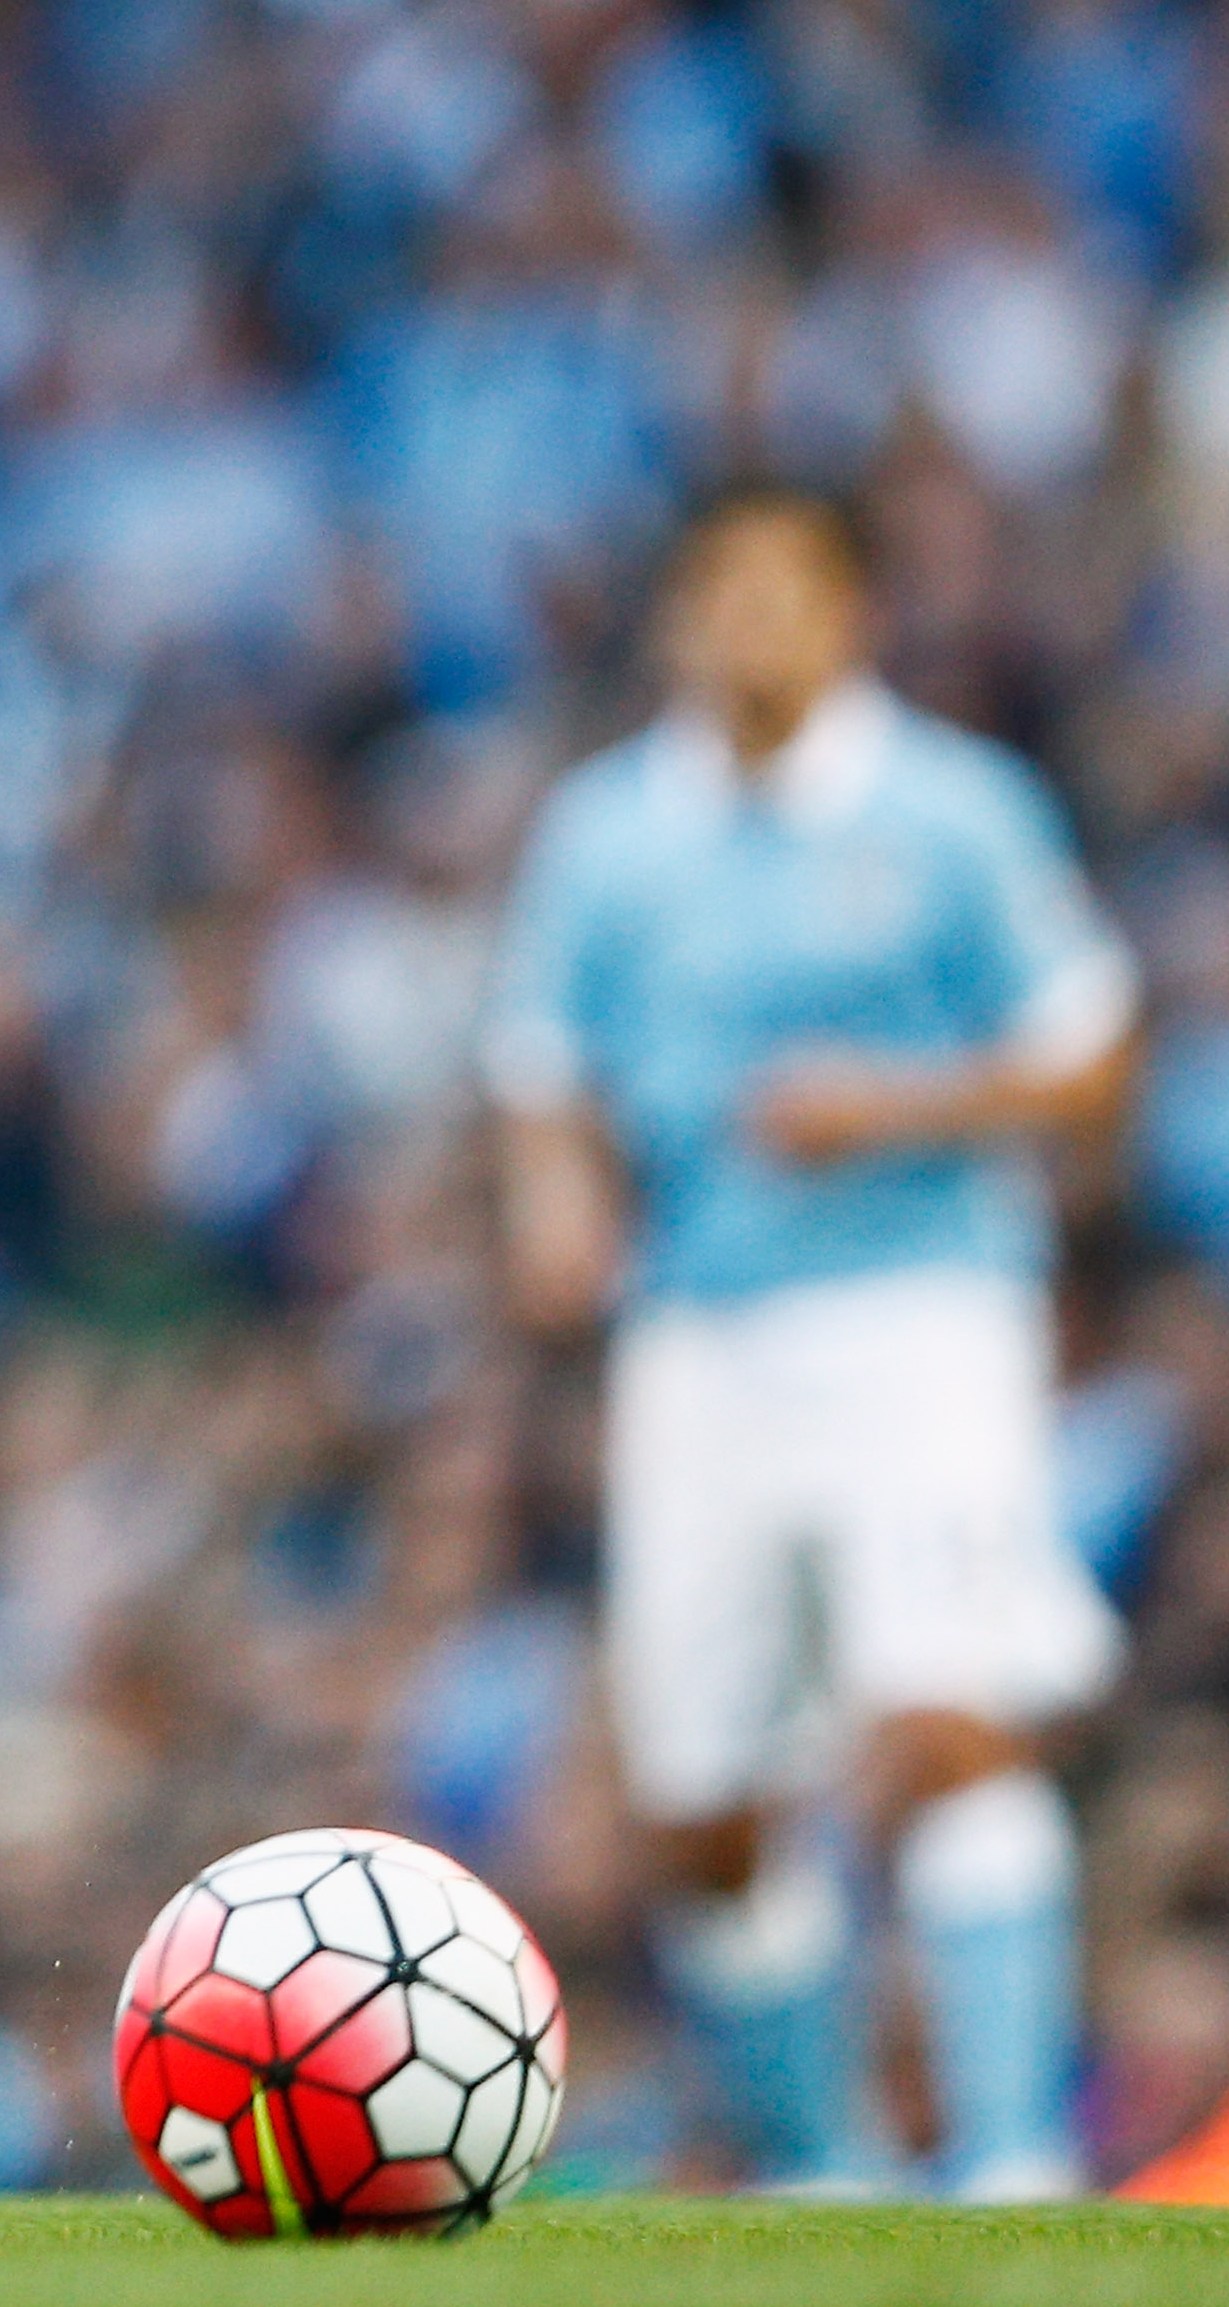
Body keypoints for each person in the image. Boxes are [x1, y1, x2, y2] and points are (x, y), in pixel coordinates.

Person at [486, 481, 1138, 2199]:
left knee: (941, 1719)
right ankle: (830, 2163)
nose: (751, 624)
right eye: (720, 591)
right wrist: (556, 1202)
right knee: (704, 1803)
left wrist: (902, 1108)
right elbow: (543, 1066)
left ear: (854, 612)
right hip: (699, 1334)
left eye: (788, 589)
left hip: (923, 1309)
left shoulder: (953, 811)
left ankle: (1012, 2159)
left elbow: (1086, 1046)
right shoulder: (608, 835)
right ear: (675, 620)